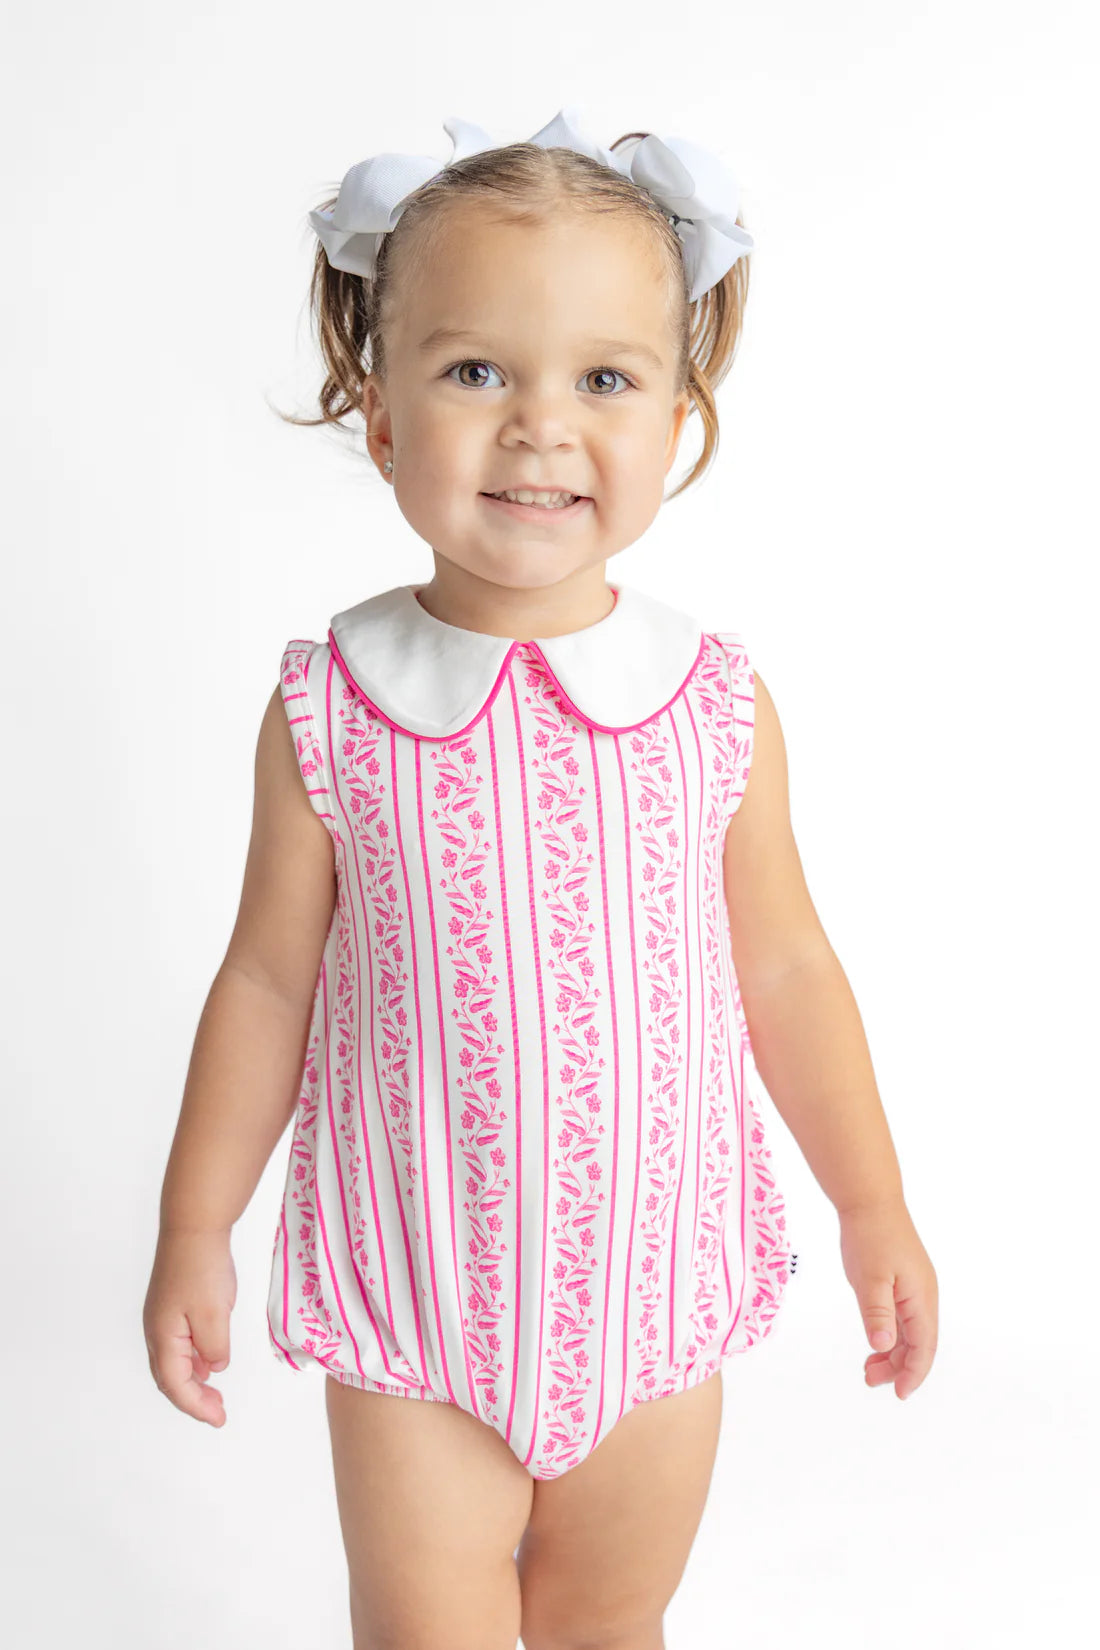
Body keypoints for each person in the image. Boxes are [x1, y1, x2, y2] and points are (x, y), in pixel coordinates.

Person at [143, 105, 938, 1650]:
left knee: (605, 1622)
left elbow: (785, 969)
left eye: (605, 378)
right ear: (378, 417)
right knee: (427, 1629)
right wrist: (194, 1223)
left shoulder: (709, 698)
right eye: (474, 371)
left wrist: (872, 1198)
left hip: (655, 1284)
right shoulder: (339, 703)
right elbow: (265, 982)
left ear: (677, 419)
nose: (540, 425)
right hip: (414, 1291)